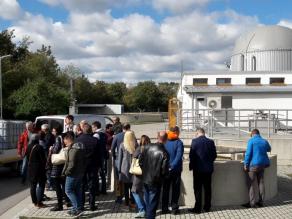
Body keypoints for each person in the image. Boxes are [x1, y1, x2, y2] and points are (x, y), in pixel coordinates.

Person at [139, 131, 169, 219]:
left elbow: (140, 162)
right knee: (152, 204)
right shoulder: (164, 152)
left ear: (157, 137)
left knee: (148, 201)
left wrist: (145, 172)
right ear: (166, 140)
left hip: (145, 179)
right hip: (155, 181)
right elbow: (164, 170)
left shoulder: (147, 147)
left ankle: (148, 216)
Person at [189, 128, 217, 214]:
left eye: (195, 134)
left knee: (197, 189)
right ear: (204, 133)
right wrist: (208, 162)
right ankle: (207, 207)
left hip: (197, 170)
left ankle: (197, 208)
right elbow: (214, 155)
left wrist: (191, 166)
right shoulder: (211, 142)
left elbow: (192, 156)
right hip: (208, 169)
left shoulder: (194, 141)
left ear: (197, 133)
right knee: (207, 188)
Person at [242, 129, 271, 208]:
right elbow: (269, 149)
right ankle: (261, 202)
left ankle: (252, 203)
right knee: (261, 182)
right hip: (262, 165)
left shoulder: (251, 141)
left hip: (253, 165)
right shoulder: (264, 141)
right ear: (259, 133)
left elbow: (248, 154)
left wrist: (246, 164)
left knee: (250, 183)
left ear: (252, 134)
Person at [76, 123, 100, 211]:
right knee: (92, 185)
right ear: (90, 130)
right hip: (93, 165)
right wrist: (99, 165)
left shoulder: (78, 139)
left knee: (81, 185)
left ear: (83, 130)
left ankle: (81, 205)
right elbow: (98, 154)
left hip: (81, 166)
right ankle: (91, 205)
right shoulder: (95, 140)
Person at [63, 131, 86, 216]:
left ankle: (76, 208)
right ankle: (77, 208)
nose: (64, 142)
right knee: (77, 191)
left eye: (64, 140)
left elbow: (71, 163)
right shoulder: (79, 147)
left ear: (68, 139)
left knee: (68, 191)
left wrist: (66, 172)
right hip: (80, 173)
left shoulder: (73, 149)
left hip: (73, 174)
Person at [162, 126, 184, 215]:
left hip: (166, 169)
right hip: (176, 170)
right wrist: (172, 165)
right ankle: (174, 209)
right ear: (176, 132)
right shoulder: (179, 142)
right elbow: (179, 156)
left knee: (165, 189)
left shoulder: (165, 141)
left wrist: (167, 166)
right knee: (175, 190)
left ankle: (164, 208)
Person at [49, 126, 70, 211]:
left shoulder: (58, 138)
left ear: (56, 131)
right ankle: (67, 201)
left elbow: (56, 150)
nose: (52, 132)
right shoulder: (64, 136)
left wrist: (51, 148)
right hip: (64, 164)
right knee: (64, 184)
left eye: (53, 131)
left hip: (58, 165)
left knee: (57, 186)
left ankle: (59, 205)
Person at [111, 123, 131, 203]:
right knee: (129, 178)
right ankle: (130, 197)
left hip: (119, 160)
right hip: (129, 160)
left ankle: (119, 197)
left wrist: (114, 157)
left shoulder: (117, 136)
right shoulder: (131, 135)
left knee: (119, 179)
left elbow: (112, 148)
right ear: (129, 127)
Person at [131, 135, 150, 218]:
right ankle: (146, 209)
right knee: (144, 192)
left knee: (134, 191)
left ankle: (142, 210)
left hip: (138, 174)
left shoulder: (139, 149)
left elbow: (133, 159)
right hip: (148, 174)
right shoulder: (150, 149)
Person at [26, 133, 47, 208]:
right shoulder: (39, 147)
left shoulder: (28, 146)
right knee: (41, 184)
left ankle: (34, 201)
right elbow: (43, 159)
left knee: (33, 185)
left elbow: (27, 157)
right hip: (39, 168)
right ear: (38, 139)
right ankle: (39, 202)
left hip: (31, 168)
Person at [118, 130, 136, 209]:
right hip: (134, 167)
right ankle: (132, 202)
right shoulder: (136, 145)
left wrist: (119, 169)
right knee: (132, 186)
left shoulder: (122, 145)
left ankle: (126, 203)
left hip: (124, 168)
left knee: (125, 187)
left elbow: (120, 158)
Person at [92, 121, 108, 195]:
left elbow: (95, 147)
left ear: (95, 127)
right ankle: (104, 189)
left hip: (97, 156)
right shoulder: (104, 134)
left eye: (93, 127)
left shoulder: (96, 135)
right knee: (103, 173)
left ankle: (97, 190)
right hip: (103, 155)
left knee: (96, 174)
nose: (92, 129)